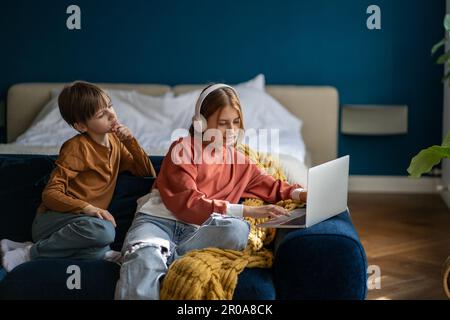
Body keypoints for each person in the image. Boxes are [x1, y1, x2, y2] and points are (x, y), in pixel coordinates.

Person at [115, 83, 307, 299]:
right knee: (144, 261)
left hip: (196, 232)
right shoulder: (183, 149)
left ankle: (164, 255)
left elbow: (274, 187)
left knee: (238, 230)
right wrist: (247, 211)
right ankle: (147, 253)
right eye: (223, 124)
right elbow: (188, 203)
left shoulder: (240, 162)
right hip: (159, 223)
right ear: (201, 124)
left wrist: (302, 194)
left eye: (236, 122)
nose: (232, 131)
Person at [0, 81, 156, 272]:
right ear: (81, 126)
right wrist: (88, 207)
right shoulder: (76, 147)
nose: (111, 114)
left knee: (102, 235)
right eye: (101, 114)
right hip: (53, 220)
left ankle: (25, 246)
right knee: (105, 232)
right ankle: (28, 253)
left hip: (84, 225)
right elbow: (50, 194)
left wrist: (131, 141)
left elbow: (147, 174)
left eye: (110, 106)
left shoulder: (116, 142)